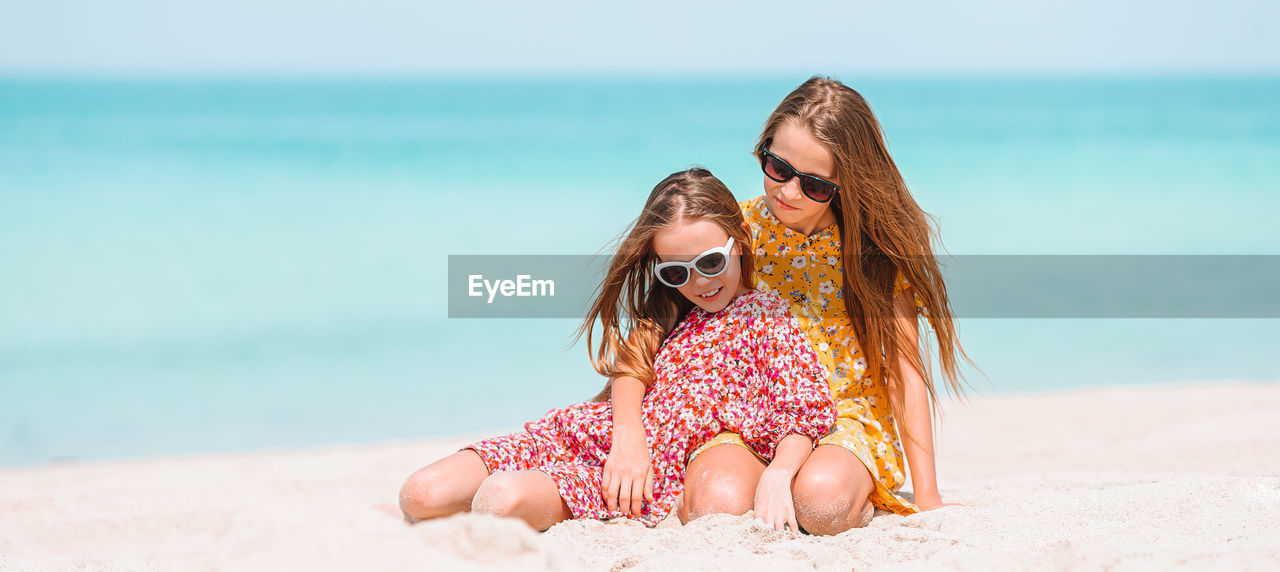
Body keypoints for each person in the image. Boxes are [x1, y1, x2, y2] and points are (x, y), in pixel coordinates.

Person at [607, 77, 972, 535]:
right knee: (716, 503)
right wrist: (627, 434)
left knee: (821, 503)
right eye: (777, 166)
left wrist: (928, 495)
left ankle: (827, 489)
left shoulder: (876, 253)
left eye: (815, 184)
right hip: (745, 416)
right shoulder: (734, 234)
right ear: (764, 149)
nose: (789, 192)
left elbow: (904, 369)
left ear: (847, 183)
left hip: (846, 415)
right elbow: (646, 340)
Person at [397, 168, 836, 531]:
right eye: (677, 271)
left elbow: (801, 409)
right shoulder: (670, 308)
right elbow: (630, 370)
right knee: (419, 494)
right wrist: (629, 440)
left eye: (710, 262)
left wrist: (778, 473)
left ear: (740, 239)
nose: (699, 282)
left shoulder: (767, 317)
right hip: (598, 435)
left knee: (499, 500)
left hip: (637, 481)